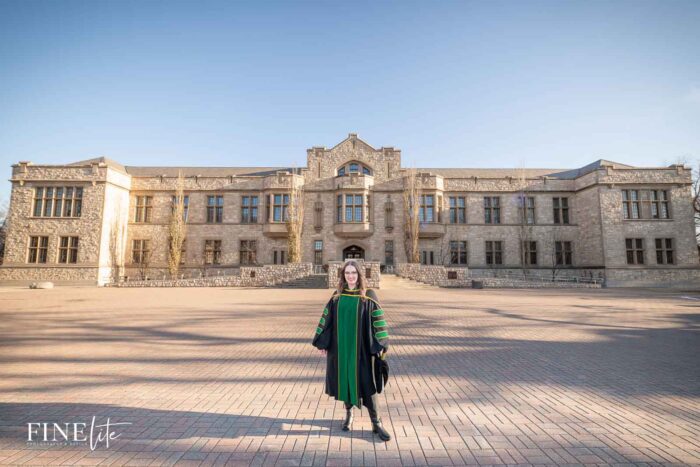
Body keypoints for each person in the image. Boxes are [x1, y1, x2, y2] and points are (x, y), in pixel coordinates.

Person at [311, 259, 391, 441]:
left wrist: (381, 343)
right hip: (341, 348)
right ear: (343, 275)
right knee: (345, 380)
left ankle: (376, 422)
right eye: (347, 273)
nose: (350, 276)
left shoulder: (368, 295)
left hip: (362, 350)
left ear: (359, 275)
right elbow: (327, 319)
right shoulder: (337, 296)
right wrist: (323, 342)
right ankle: (349, 414)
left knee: (368, 383)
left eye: (353, 273)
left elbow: (378, 321)